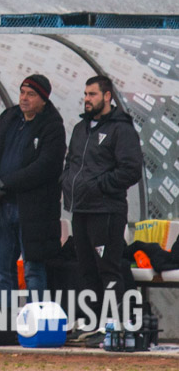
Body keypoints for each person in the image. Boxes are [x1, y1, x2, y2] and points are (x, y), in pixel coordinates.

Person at [62, 76, 142, 332]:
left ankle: (113, 324)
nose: (87, 99)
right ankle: (92, 322)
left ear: (107, 96)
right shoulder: (80, 128)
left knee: (108, 268)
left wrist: (99, 186)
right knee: (86, 269)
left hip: (106, 210)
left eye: (92, 94)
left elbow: (131, 170)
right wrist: (67, 182)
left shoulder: (121, 129)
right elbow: (71, 162)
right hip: (80, 208)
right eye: (85, 94)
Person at [0, 75, 66, 301]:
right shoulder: (8, 119)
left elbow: (45, 166)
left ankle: (35, 316)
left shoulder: (52, 127)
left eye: (31, 94)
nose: (24, 98)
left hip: (34, 210)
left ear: (44, 99)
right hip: (3, 206)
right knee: (2, 268)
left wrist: (6, 183)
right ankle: (6, 318)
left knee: (33, 269)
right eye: (22, 92)